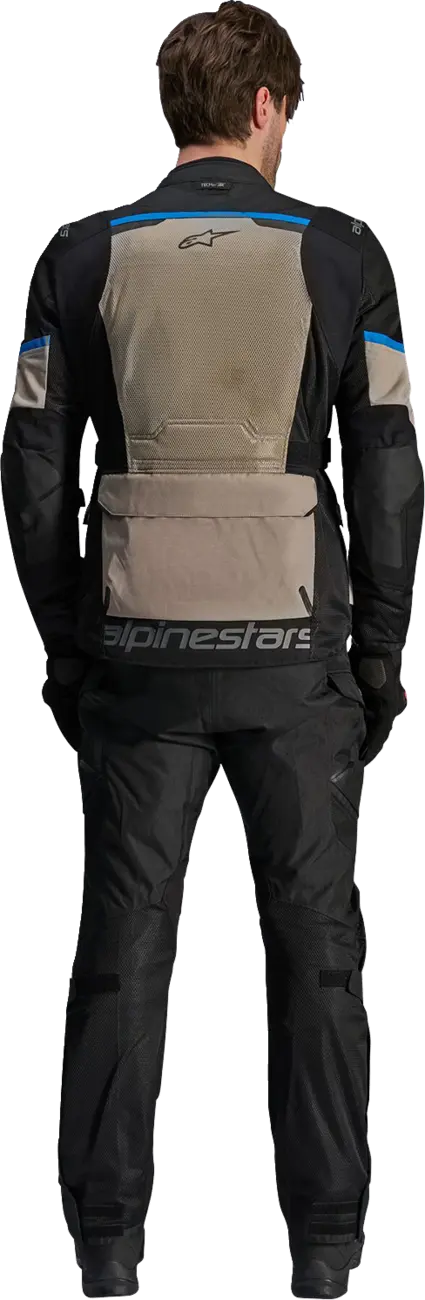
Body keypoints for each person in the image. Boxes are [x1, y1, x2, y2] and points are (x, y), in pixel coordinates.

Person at [2, 5, 423, 1298]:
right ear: (265, 109)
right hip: (297, 658)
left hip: (136, 656)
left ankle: (106, 1256)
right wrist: (379, 657)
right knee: (317, 949)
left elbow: (31, 473)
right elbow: (388, 468)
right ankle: (325, 1256)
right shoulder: (342, 254)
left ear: (178, 107)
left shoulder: (80, 256)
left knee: (121, 949)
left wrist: (68, 645)